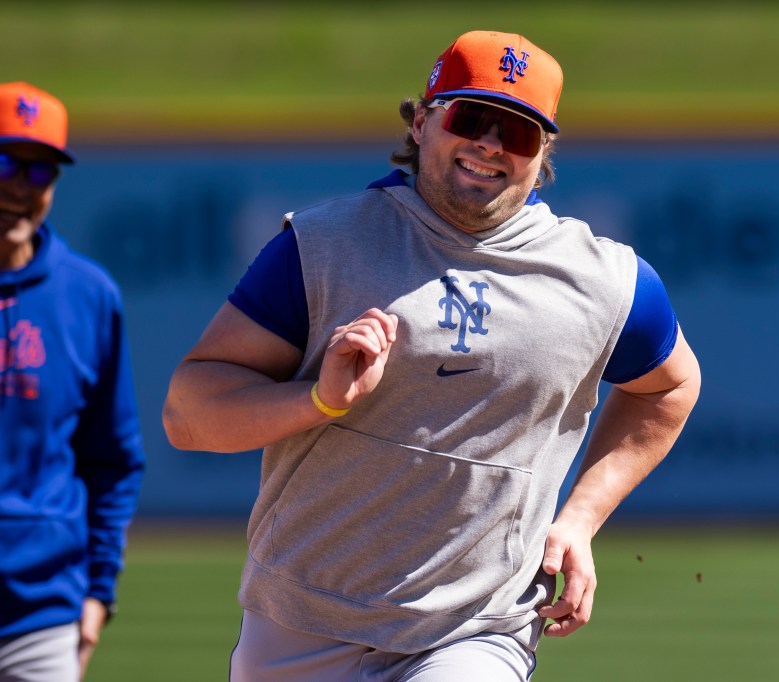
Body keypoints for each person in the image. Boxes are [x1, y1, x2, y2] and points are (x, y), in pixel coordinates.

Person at [162, 30, 700, 682]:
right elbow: (188, 414)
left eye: (520, 132)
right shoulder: (325, 245)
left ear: (544, 154)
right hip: (300, 616)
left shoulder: (604, 280)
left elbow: (669, 387)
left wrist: (579, 521)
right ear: (421, 121)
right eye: (471, 117)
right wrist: (316, 400)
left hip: (477, 628)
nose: (491, 144)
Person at [0, 82, 146, 681]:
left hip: (42, 612)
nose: (18, 185)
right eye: (6, 161)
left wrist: (97, 594)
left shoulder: (87, 295)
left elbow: (111, 459)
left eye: (40, 173)